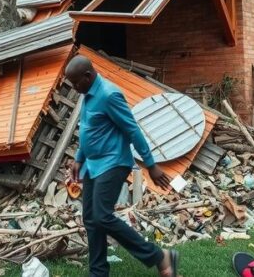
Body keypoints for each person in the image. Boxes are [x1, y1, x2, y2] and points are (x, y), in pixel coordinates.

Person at [65, 54, 179, 277]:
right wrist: (79, 159)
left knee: (101, 215)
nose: (73, 87)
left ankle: (160, 256)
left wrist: (151, 164)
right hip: (92, 164)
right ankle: (98, 273)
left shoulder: (109, 94)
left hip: (114, 162)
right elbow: (88, 130)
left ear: (87, 76)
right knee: (90, 218)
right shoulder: (87, 94)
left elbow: (132, 129)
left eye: (75, 82)